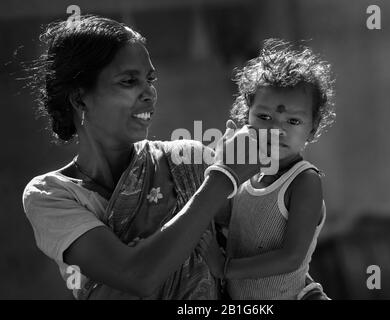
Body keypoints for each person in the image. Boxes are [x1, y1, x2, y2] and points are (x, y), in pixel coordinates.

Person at [21, 15, 262, 299]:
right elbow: (136, 276)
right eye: (129, 81)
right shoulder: (51, 195)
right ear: (79, 99)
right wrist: (223, 179)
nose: (149, 93)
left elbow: (263, 238)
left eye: (150, 79)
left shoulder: (188, 161)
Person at [201, 39, 336, 300]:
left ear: (313, 127)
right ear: (245, 117)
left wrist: (224, 267)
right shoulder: (245, 175)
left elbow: (291, 258)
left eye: (293, 121)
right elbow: (224, 219)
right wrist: (221, 164)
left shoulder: (303, 181)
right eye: (264, 117)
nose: (276, 130)